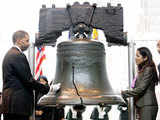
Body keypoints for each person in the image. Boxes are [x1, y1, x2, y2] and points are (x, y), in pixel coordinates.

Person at [2, 30, 50, 120]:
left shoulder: (9, 54)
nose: (29, 44)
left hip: (11, 105)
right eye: (27, 40)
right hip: (18, 106)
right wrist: (46, 89)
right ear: (20, 40)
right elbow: (28, 80)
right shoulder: (18, 55)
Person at [121, 47, 159, 120]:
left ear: (145, 58)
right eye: (136, 55)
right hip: (142, 105)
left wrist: (124, 93)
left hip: (147, 105)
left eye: (138, 56)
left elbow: (141, 88)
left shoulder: (148, 69)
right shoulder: (142, 70)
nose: (135, 58)